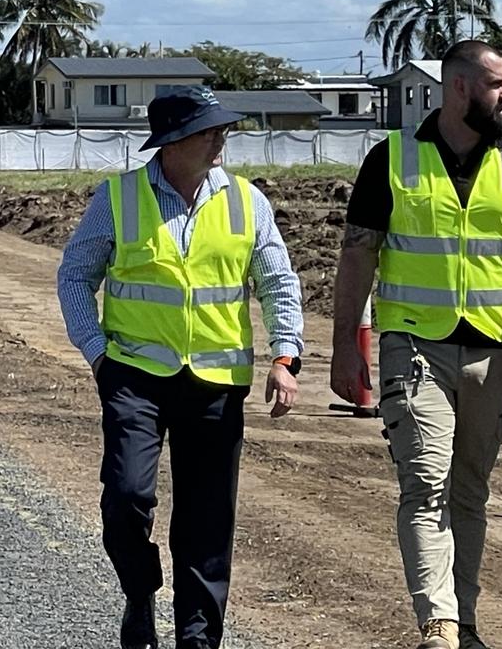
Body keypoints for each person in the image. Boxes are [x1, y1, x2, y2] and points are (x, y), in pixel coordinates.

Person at [330, 39, 502, 649]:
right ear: (458, 87)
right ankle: (438, 625)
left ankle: (465, 618)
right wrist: (344, 346)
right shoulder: (392, 159)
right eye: (496, 84)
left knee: (469, 490)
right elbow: (358, 254)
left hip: (493, 350)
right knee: (425, 482)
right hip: (415, 346)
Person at [56, 86, 304, 649]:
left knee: (206, 523)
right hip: (133, 377)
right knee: (127, 498)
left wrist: (285, 356)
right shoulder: (117, 198)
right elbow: (75, 276)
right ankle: (138, 592)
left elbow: (278, 282)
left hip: (216, 384)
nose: (221, 138)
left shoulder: (248, 201)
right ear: (171, 142)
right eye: (208, 130)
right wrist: (97, 353)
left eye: (222, 129)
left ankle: (198, 640)